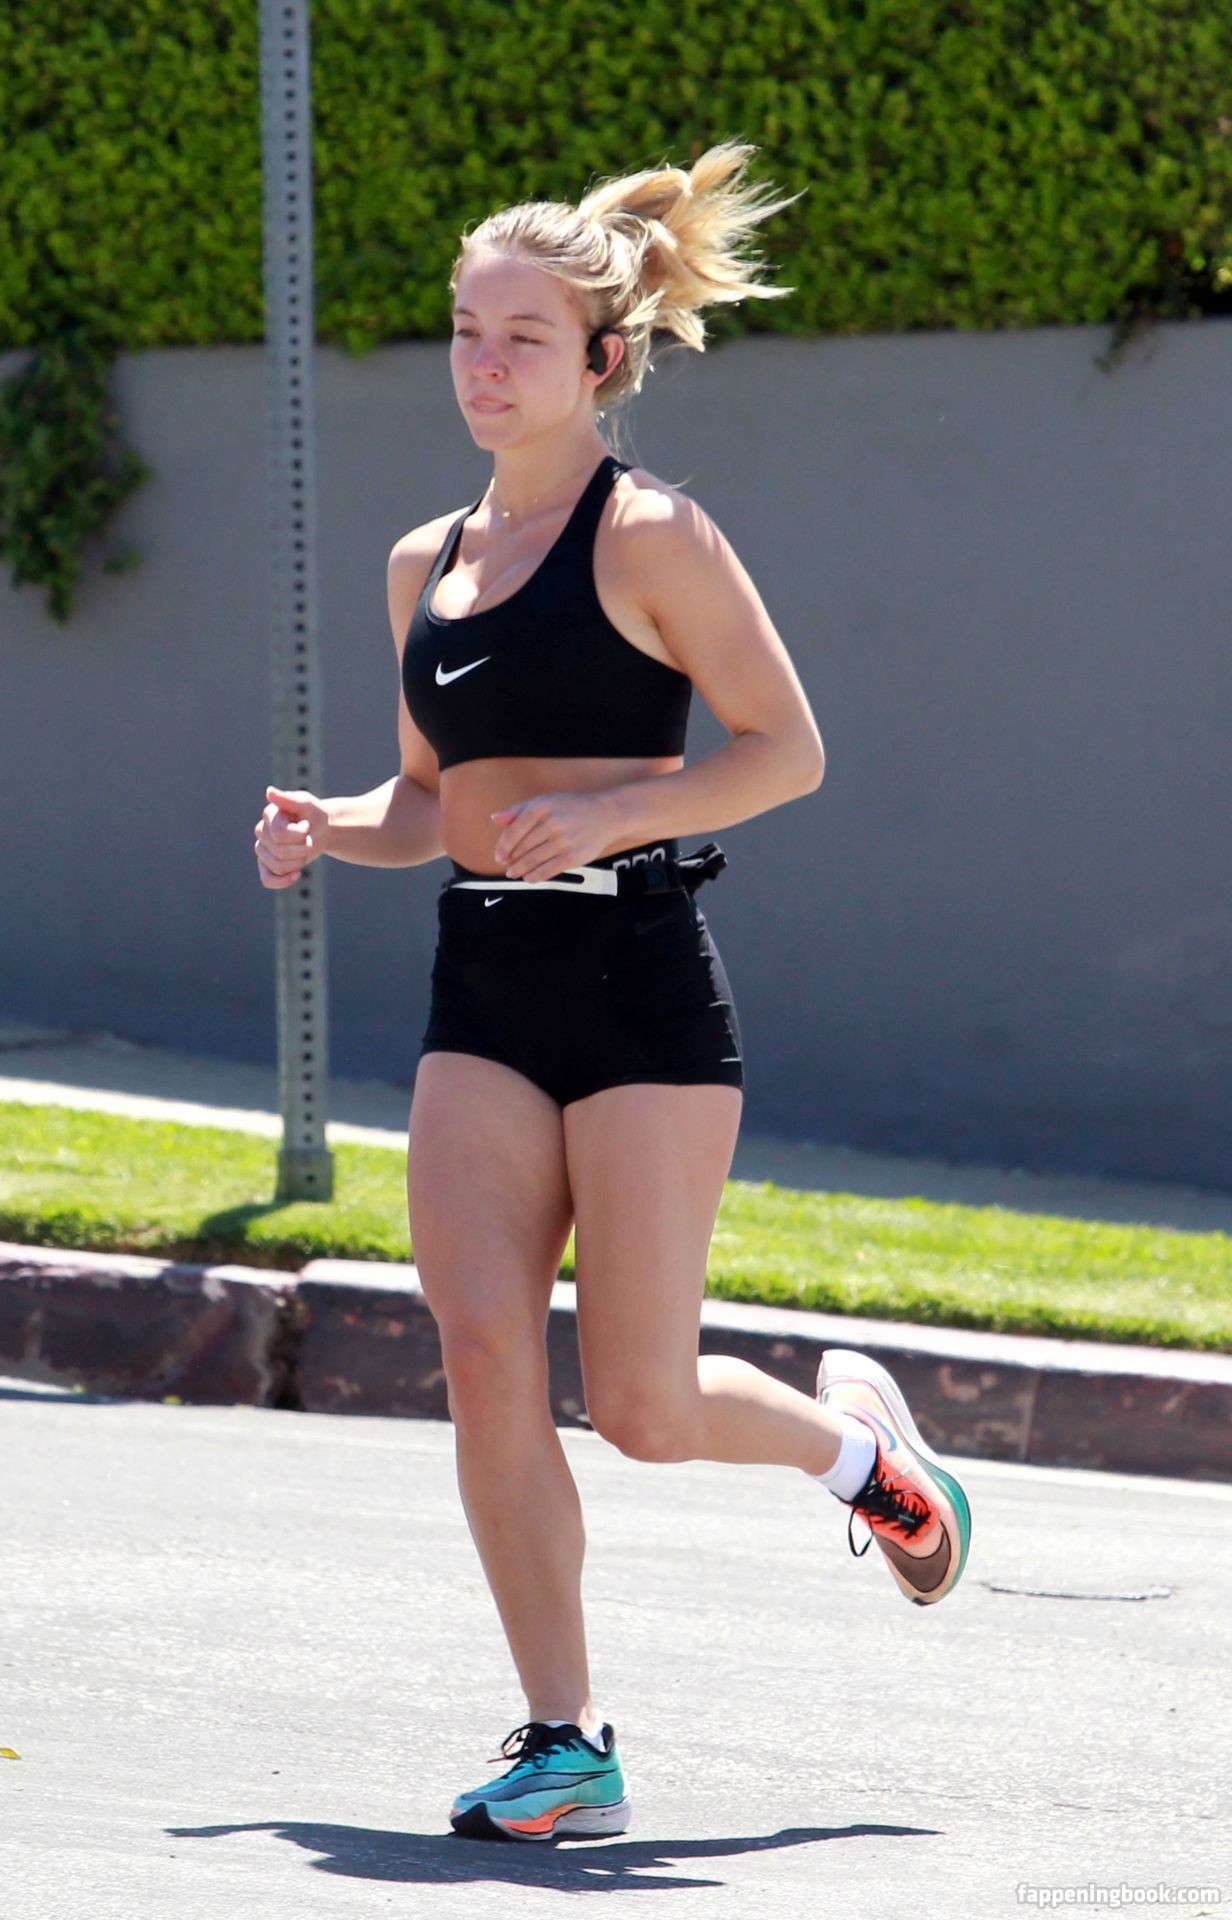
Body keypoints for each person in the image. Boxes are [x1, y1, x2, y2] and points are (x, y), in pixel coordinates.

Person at [254, 139, 972, 1844]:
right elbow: (430, 799)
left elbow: (785, 750)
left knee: (642, 1404)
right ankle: (565, 1740)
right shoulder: (424, 563)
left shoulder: (656, 535)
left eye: (521, 336)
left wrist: (613, 815)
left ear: (601, 359)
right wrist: (328, 825)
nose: (482, 362)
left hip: (640, 981)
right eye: (464, 329)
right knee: (484, 1352)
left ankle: (869, 1461)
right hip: (486, 986)